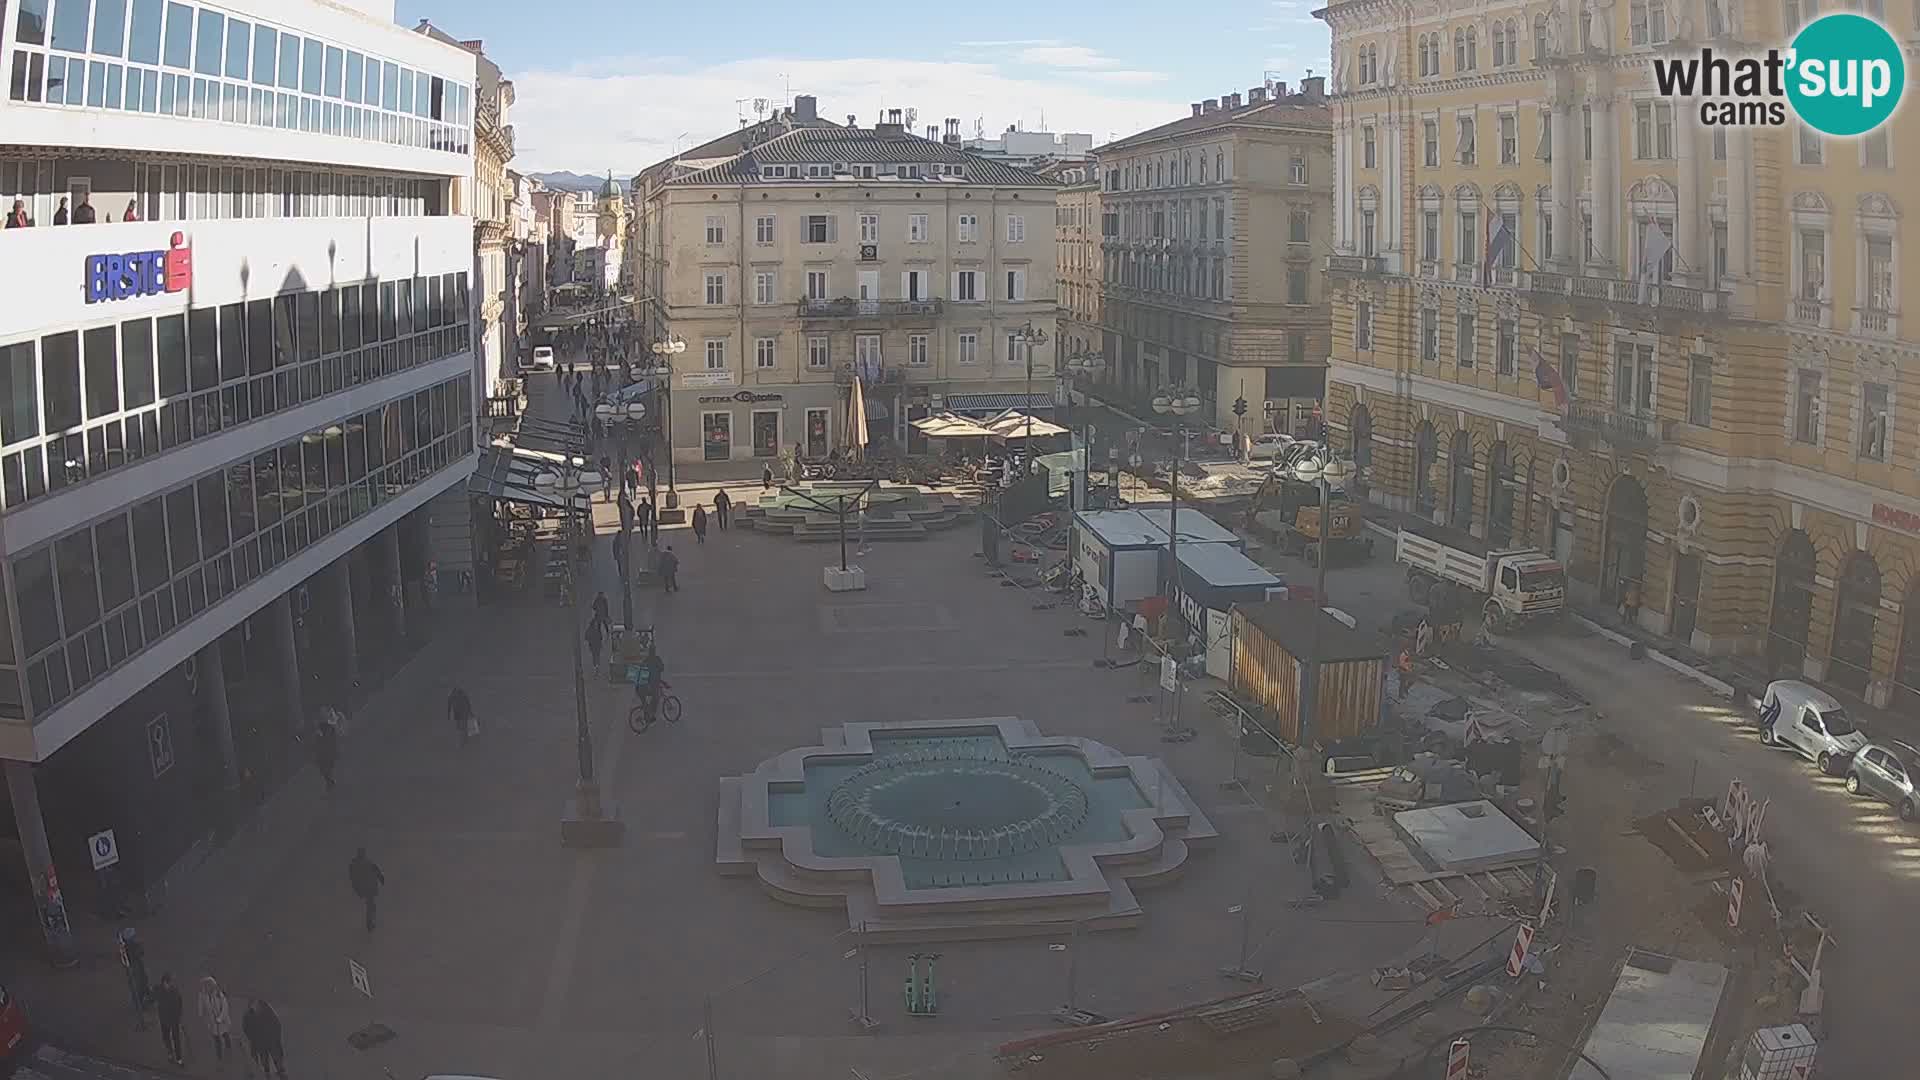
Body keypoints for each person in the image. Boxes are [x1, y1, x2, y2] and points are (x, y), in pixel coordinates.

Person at [241, 1000, 286, 1079]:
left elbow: (277, 1025)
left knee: (277, 1059)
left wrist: (276, 1038)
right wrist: (253, 1039)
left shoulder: (268, 1011)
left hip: (271, 1041)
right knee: (265, 1061)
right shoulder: (248, 1016)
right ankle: (268, 1074)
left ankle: (281, 1074)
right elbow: (246, 1028)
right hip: (260, 1043)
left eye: (256, 1004)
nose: (254, 1006)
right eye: (252, 1005)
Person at [197, 976, 233, 1064]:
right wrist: (200, 1014)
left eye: (207, 986)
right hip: (212, 1021)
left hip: (222, 1020)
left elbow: (225, 1007)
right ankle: (219, 1057)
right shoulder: (202, 994)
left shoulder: (218, 994)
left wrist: (220, 1018)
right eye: (204, 986)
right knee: (216, 1038)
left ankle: (228, 1046)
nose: (205, 988)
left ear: (212, 986)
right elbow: (201, 1005)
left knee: (225, 1034)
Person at [348, 847, 384, 933]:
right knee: (370, 904)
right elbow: (376, 870)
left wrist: (356, 888)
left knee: (370, 904)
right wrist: (381, 878)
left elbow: (352, 877)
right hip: (368, 887)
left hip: (366, 887)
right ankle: (370, 923)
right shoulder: (364, 862)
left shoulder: (356, 863)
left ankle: (370, 923)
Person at [629, 645, 667, 723]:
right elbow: (659, 671)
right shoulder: (656, 660)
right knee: (656, 697)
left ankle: (649, 716)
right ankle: (649, 716)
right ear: (654, 651)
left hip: (640, 687)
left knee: (648, 701)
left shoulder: (646, 660)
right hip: (644, 686)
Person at [154, 973, 185, 1065]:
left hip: (173, 1020)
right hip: (164, 1019)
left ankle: (179, 1058)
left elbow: (179, 1004)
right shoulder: (159, 990)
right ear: (164, 982)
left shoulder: (174, 992)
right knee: (166, 1037)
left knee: (176, 1039)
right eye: (169, 983)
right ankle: (170, 1053)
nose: (170, 985)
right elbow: (153, 998)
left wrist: (179, 1016)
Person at [312, 713, 339, 791]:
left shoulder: (327, 728)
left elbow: (330, 739)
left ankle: (329, 781)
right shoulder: (321, 730)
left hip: (325, 751)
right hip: (323, 752)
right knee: (325, 767)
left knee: (326, 766)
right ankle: (329, 781)